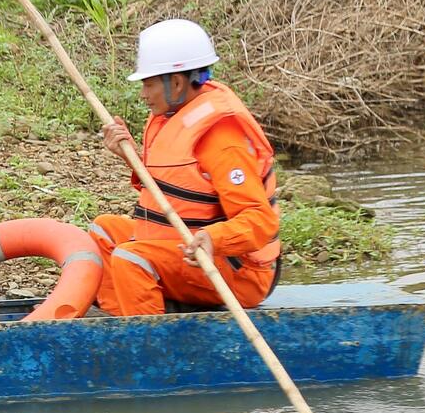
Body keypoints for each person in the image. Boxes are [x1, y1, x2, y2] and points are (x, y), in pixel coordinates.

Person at [86, 18, 280, 317]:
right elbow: (176, 189)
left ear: (175, 82)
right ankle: (125, 320)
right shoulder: (173, 114)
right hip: (182, 247)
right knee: (102, 231)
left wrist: (214, 238)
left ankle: (153, 346)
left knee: (130, 258)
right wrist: (130, 157)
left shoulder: (222, 139)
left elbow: (260, 221)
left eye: (148, 84)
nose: (143, 94)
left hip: (238, 271)